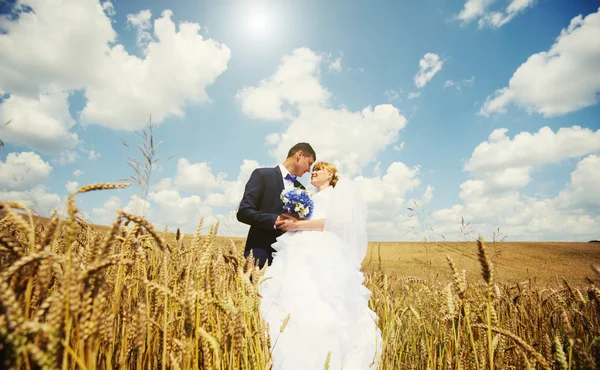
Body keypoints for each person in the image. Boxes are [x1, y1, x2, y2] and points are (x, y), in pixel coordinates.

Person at [259, 161, 382, 370]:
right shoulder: (308, 196)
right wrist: (292, 219)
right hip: (297, 246)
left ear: (331, 174)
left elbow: (337, 223)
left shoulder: (336, 194)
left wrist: (299, 225)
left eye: (319, 170)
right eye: (313, 169)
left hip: (324, 248)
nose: (313, 172)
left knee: (323, 297)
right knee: (292, 293)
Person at [236, 142, 316, 269]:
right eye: (309, 163)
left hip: (289, 258)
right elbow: (244, 212)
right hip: (260, 254)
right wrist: (275, 220)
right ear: (299, 155)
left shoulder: (302, 188)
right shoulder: (262, 175)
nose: (308, 170)